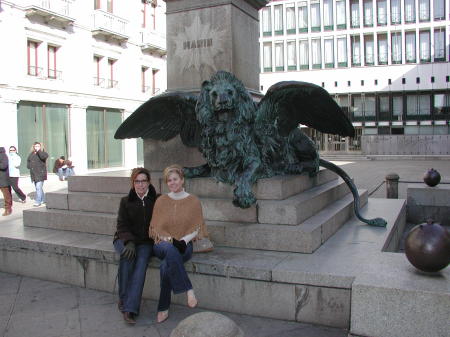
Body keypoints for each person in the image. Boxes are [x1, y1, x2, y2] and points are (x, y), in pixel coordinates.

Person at [149, 164, 210, 323]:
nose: (172, 183)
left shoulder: (193, 201)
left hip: (184, 244)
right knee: (169, 250)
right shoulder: (161, 201)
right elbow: (155, 228)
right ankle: (189, 290)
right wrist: (170, 240)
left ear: (182, 180)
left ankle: (163, 307)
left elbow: (197, 227)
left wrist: (183, 240)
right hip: (162, 243)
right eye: (169, 180)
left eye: (175, 179)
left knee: (165, 266)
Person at [113, 167, 159, 324]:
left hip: (145, 242)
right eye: (137, 181)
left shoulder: (157, 200)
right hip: (124, 239)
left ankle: (129, 308)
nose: (140, 185)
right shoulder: (125, 201)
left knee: (140, 265)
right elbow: (121, 226)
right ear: (133, 183)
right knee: (127, 256)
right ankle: (125, 300)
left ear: (149, 182)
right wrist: (129, 242)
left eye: (143, 181)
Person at [27, 142, 48, 207]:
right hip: (34, 174)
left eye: (38, 146)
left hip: (41, 174)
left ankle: (38, 201)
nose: (36, 147)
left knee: (38, 187)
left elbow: (43, 157)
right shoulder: (31, 154)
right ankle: (43, 199)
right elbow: (28, 161)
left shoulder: (43, 153)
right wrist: (29, 166)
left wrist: (39, 151)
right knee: (38, 188)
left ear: (40, 147)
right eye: (35, 146)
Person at [0, 147, 13, 216]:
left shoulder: (3, 155)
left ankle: (8, 209)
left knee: (6, 195)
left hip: (3, 179)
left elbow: (4, 166)